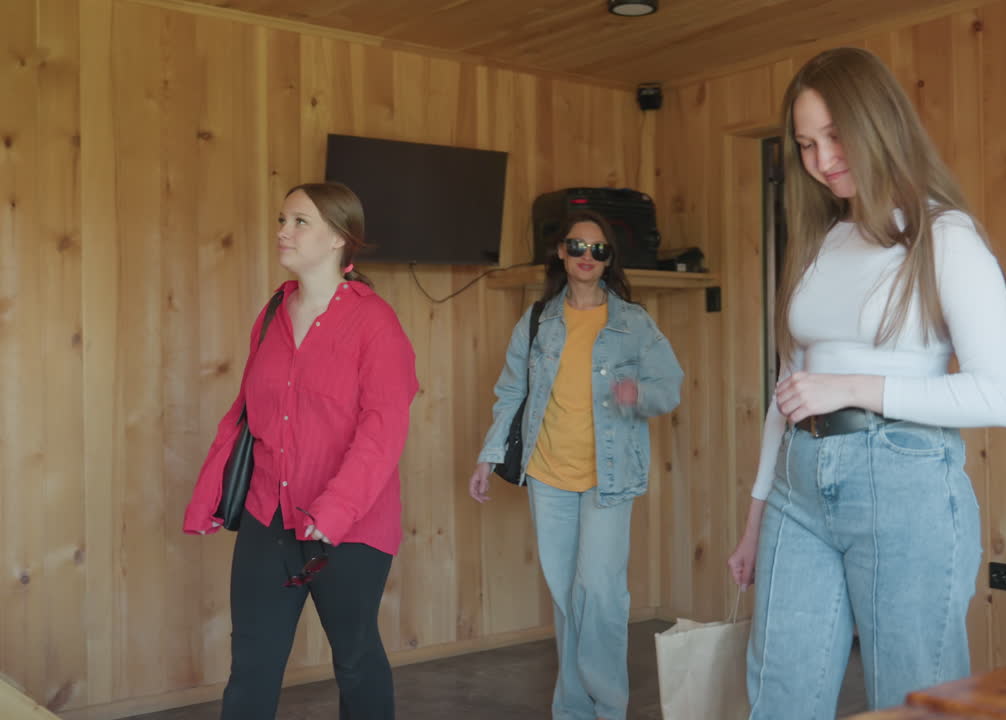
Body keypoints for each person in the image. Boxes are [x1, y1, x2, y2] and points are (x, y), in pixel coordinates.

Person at [726, 47, 1006, 717]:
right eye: (805, 143)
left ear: (878, 123)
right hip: (799, 490)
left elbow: (1000, 396)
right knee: (778, 697)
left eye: (835, 135)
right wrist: (756, 514)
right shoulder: (821, 241)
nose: (821, 158)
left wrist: (854, 387)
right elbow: (790, 385)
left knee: (914, 702)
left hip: (905, 484)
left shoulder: (945, 237)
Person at [183, 182, 419, 720]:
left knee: (356, 660)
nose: (282, 232)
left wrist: (332, 512)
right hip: (269, 517)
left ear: (339, 238)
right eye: (282, 219)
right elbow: (245, 416)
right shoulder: (271, 314)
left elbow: (382, 435)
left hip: (351, 527)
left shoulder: (375, 324)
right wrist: (211, 498)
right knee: (251, 668)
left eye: (299, 222)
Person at [468, 210, 683, 720]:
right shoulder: (538, 319)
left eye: (599, 250)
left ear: (609, 261)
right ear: (561, 253)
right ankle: (572, 709)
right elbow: (511, 393)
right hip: (548, 475)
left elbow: (669, 386)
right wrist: (489, 454)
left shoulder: (633, 321)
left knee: (602, 595)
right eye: (578, 247)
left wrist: (639, 395)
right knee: (567, 598)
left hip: (611, 477)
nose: (588, 257)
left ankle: (609, 708)